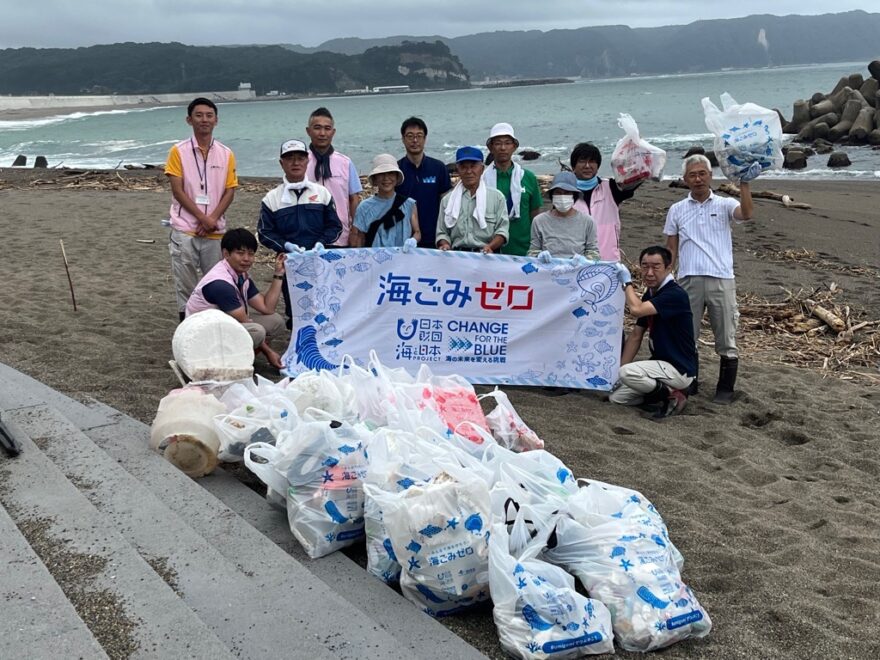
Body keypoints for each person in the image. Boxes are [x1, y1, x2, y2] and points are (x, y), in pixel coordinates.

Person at [663, 154, 754, 404]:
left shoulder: (724, 204)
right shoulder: (677, 210)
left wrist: (744, 183)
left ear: (711, 176)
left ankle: (725, 388)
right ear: (685, 180)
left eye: (702, 173)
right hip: (688, 279)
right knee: (686, 335)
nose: (698, 179)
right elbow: (671, 247)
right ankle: (690, 381)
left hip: (721, 279)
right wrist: (666, 277)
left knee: (725, 335)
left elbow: (746, 213)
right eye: (692, 175)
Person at [165, 97, 238, 321]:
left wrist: (212, 218)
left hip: (215, 230)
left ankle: (214, 326)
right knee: (185, 286)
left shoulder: (226, 153)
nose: (204, 120)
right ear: (189, 120)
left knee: (216, 284)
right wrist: (201, 218)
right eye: (199, 115)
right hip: (185, 228)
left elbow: (230, 191)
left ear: (216, 120)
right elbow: (177, 190)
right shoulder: (178, 151)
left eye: (209, 115)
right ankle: (186, 330)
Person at [257, 139, 343, 326]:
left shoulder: (322, 194)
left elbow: (335, 226)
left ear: (307, 161)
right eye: (290, 159)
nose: (295, 163)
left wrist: (322, 243)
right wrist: (285, 246)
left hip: (320, 261)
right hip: (290, 264)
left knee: (324, 304)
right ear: (281, 163)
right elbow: (264, 232)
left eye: (300, 158)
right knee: (294, 308)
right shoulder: (271, 198)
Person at [610, 246, 697, 418]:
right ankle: (663, 393)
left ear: (668, 268)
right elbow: (636, 335)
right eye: (644, 266)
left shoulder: (674, 294)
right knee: (617, 398)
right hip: (660, 366)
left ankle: (672, 394)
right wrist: (616, 376)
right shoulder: (651, 294)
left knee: (627, 372)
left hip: (678, 369)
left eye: (656, 267)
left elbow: (636, 309)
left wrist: (627, 283)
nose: (649, 273)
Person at [185, 228, 286, 369]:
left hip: (220, 326)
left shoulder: (240, 275)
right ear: (226, 254)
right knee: (256, 332)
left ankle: (240, 358)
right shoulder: (221, 283)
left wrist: (278, 273)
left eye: (251, 254)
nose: (246, 259)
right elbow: (244, 321)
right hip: (201, 336)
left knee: (276, 321)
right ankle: (229, 363)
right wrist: (269, 352)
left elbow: (267, 308)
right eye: (240, 253)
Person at [570, 142, 640, 262]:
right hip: (576, 262)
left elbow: (635, 178)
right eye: (582, 161)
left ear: (598, 165)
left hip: (608, 260)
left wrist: (636, 146)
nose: (587, 166)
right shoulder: (566, 192)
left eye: (592, 161)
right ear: (573, 166)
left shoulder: (611, 187)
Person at [305, 107, 362, 246]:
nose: (322, 133)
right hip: (308, 235)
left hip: (341, 236)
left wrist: (355, 231)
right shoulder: (301, 162)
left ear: (333, 132)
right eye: (317, 128)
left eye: (327, 128)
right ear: (308, 131)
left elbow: (354, 199)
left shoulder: (345, 163)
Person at [482, 122, 542, 256]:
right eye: (497, 143)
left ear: (514, 147)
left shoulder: (528, 177)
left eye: (507, 143)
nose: (503, 148)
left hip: (523, 250)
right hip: (489, 250)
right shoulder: (482, 180)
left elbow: (535, 214)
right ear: (491, 147)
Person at [435, 146, 509, 253]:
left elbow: (502, 231)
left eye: (473, 166)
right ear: (457, 170)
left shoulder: (497, 198)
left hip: (487, 256)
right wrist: (445, 244)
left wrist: (490, 247)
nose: (469, 171)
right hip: (457, 256)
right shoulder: (447, 200)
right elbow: (442, 232)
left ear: (482, 169)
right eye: (463, 167)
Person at [396, 117, 452, 248]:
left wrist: (446, 237)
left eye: (419, 136)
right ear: (403, 139)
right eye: (410, 136)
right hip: (404, 240)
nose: (415, 140)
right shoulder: (396, 170)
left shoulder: (438, 168)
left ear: (425, 139)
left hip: (435, 238)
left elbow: (447, 204)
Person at [350, 154, 420, 247]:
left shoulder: (409, 204)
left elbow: (417, 232)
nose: (386, 178)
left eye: (391, 173)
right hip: (375, 259)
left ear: (396, 177)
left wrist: (413, 240)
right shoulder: (364, 207)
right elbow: (359, 238)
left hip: (403, 258)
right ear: (375, 179)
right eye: (381, 174)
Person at [528, 171, 600, 261]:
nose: (562, 196)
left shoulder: (588, 221)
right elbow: (532, 251)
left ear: (574, 196)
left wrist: (585, 261)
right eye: (558, 192)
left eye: (567, 193)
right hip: (547, 271)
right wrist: (538, 257)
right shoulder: (539, 221)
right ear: (552, 196)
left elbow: (593, 252)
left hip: (576, 271)